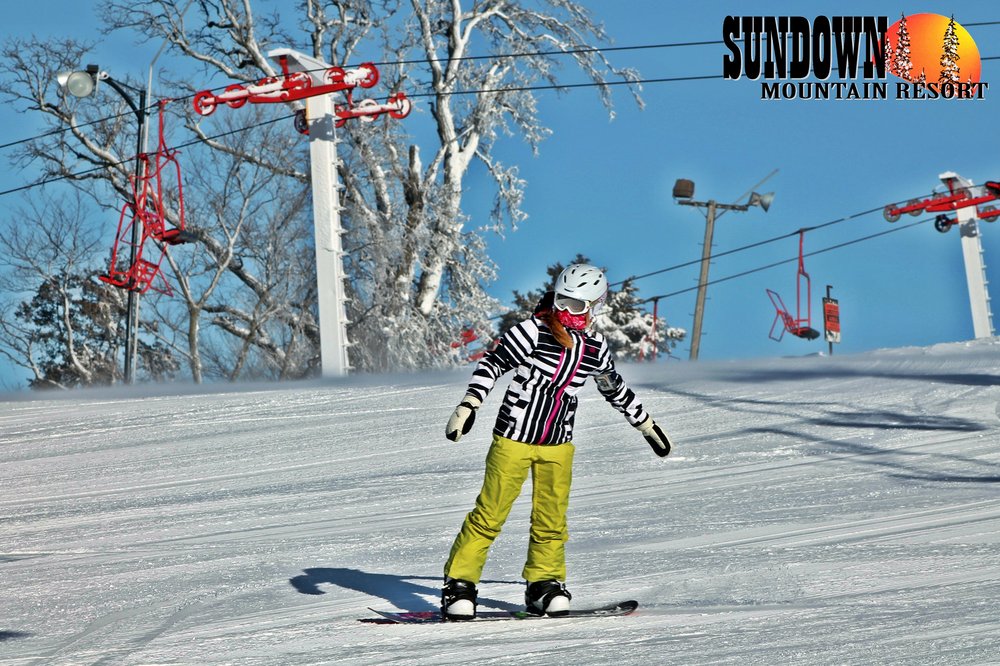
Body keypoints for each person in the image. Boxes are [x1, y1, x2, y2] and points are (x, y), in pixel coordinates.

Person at [441, 263, 672, 620]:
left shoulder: (595, 347)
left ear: (594, 306)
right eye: (562, 301)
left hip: (558, 445)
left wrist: (645, 425)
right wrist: (469, 404)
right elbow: (492, 364)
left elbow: (613, 388)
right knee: (490, 514)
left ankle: (544, 586)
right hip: (514, 438)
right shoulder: (532, 332)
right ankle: (459, 585)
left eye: (578, 306)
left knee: (551, 520)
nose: (566, 312)